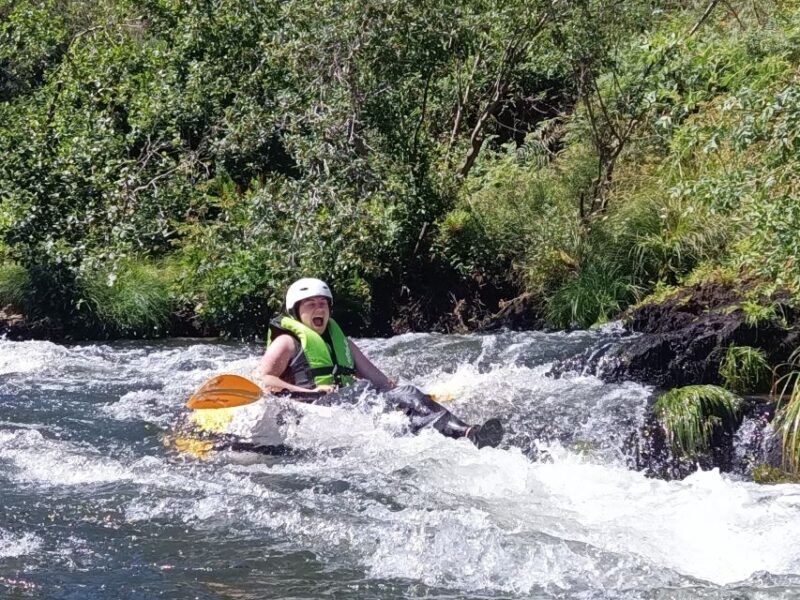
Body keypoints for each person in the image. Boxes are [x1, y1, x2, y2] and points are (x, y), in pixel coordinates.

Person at [257, 277, 503, 448]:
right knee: (395, 413)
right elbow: (265, 380)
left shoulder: (344, 345)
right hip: (308, 411)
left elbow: (379, 382)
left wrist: (410, 393)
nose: (318, 308)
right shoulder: (287, 343)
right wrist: (309, 391)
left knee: (406, 395)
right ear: (297, 311)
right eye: (310, 304)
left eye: (323, 304)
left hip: (343, 406)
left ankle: (470, 433)